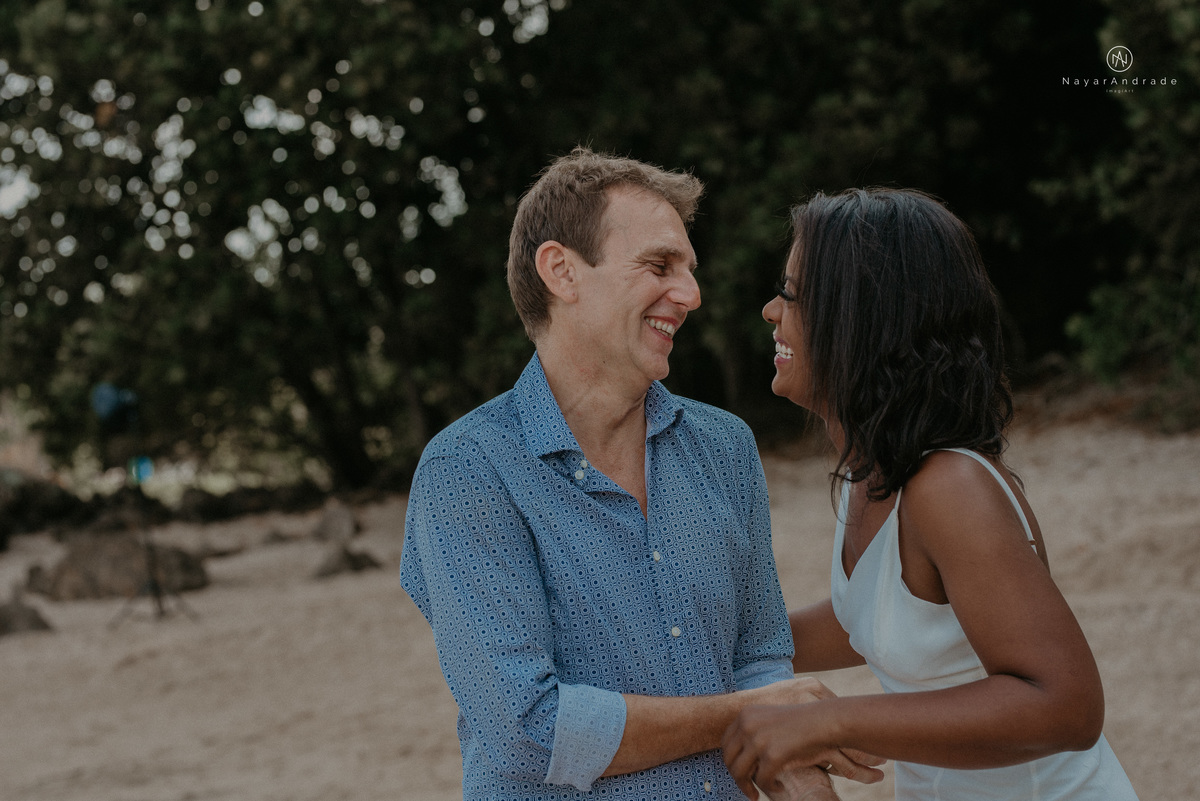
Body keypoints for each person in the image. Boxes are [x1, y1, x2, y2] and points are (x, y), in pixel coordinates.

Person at [400, 148, 883, 800]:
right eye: (660, 265)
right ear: (562, 271)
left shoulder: (726, 446)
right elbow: (528, 729)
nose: (691, 294)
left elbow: (760, 657)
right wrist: (740, 711)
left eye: (689, 269)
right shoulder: (469, 472)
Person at [722, 188, 1140, 800]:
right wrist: (725, 641)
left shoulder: (949, 486)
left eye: (790, 292)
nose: (769, 310)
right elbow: (882, 619)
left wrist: (827, 720)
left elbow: (1067, 705)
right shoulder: (875, 470)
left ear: (861, 317)